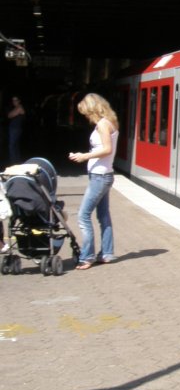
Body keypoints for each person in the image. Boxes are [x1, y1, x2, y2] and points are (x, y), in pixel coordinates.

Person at [68, 93, 119, 270]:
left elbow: (106, 149)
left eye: (86, 113)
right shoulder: (110, 122)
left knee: (83, 215)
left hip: (100, 176)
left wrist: (84, 156)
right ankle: (106, 253)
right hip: (104, 175)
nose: (86, 117)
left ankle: (87, 256)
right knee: (103, 215)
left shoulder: (103, 125)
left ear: (93, 109)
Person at [7, 95, 25, 165]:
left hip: (16, 129)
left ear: (19, 101)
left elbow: (10, 115)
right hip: (14, 128)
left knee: (12, 146)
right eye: (13, 100)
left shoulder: (19, 107)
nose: (14, 102)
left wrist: (11, 113)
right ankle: (16, 161)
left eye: (15, 100)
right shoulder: (16, 108)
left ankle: (13, 162)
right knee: (15, 146)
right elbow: (9, 114)